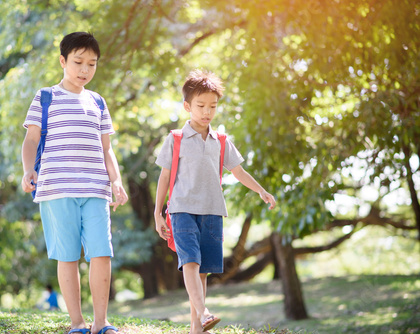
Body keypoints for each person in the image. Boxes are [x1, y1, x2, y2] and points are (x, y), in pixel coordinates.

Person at [154, 70, 276, 334]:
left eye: (213, 106)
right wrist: (157, 212)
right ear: (187, 106)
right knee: (190, 262)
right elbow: (164, 176)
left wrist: (261, 191)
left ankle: (196, 328)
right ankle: (204, 312)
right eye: (200, 106)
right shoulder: (175, 138)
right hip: (181, 209)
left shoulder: (221, 140)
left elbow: (238, 171)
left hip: (212, 212)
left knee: (202, 272)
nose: (207, 112)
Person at [21, 31, 128, 334]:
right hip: (57, 189)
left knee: (102, 253)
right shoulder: (46, 97)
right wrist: (28, 169)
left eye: (92, 64)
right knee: (67, 256)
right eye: (78, 62)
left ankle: (102, 322)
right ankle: (77, 323)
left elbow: (107, 149)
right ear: (63, 61)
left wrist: (116, 181)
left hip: (96, 189)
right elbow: (30, 140)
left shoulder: (98, 102)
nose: (85, 70)